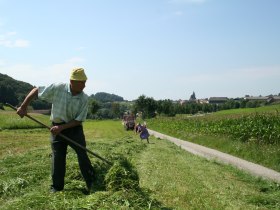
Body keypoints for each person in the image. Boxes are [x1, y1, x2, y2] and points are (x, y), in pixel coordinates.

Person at [17, 67, 95, 193]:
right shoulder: (58, 88)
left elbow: (79, 120)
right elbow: (36, 91)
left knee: (82, 154)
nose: (84, 85)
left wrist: (62, 128)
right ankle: (56, 188)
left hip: (74, 129)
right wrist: (23, 106)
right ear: (72, 81)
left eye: (85, 82)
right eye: (81, 82)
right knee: (58, 158)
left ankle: (91, 182)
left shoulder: (84, 99)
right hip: (56, 128)